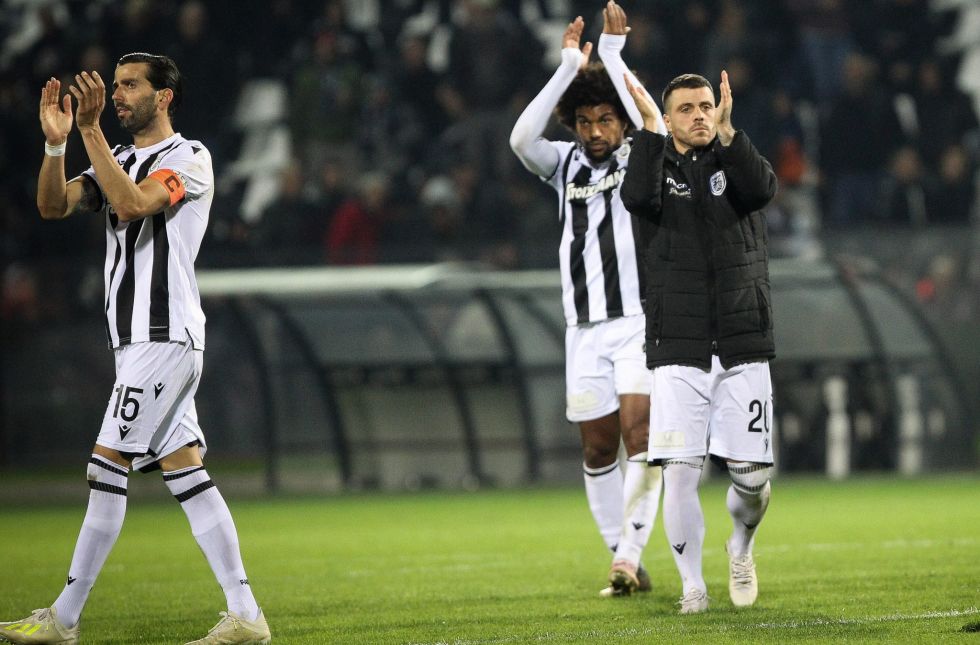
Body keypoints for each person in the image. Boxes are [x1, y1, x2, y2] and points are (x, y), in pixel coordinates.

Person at [0, 54, 271, 644]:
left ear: (163, 96)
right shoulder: (117, 157)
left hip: (165, 336)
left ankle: (64, 618)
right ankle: (246, 614)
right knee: (186, 472)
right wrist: (56, 145)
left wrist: (89, 130)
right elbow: (52, 205)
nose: (118, 95)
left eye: (130, 86)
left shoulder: (189, 158)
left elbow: (134, 204)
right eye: (116, 85)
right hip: (134, 342)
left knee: (105, 467)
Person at [509, 1, 666, 597]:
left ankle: (627, 557)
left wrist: (615, 56)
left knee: (639, 433)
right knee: (598, 448)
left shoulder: (639, 154)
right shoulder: (564, 165)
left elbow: (651, 118)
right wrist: (568, 68)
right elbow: (521, 138)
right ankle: (621, 553)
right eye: (584, 121)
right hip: (583, 328)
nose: (595, 131)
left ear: (619, 123)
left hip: (637, 322)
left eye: (604, 120)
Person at [621, 70, 778, 614]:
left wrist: (731, 133)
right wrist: (647, 130)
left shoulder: (735, 159)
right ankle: (693, 586)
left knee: (752, 478)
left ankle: (742, 547)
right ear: (668, 119)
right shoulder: (653, 165)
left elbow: (762, 190)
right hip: (678, 345)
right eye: (685, 108)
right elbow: (635, 197)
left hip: (742, 338)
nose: (699, 115)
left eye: (706, 105)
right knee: (681, 473)